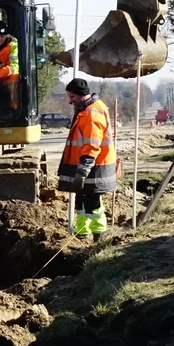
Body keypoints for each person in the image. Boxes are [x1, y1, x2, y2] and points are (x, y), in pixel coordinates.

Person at [59, 78, 117, 241]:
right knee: (82, 201)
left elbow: (92, 146)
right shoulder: (86, 110)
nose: (70, 102)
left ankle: (99, 235)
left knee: (93, 202)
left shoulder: (91, 114)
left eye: (72, 97)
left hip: (94, 167)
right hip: (89, 166)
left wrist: (82, 171)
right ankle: (81, 233)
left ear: (80, 95)